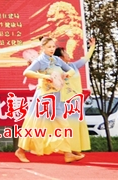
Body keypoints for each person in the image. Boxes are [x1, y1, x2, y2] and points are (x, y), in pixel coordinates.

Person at [14, 36, 83, 164]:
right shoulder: (40, 60)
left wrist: (66, 74)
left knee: (63, 125)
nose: (52, 49)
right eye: (49, 47)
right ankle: (21, 150)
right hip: (44, 98)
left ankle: (68, 153)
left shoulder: (57, 60)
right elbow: (27, 72)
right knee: (35, 125)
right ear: (43, 48)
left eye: (53, 47)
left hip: (56, 97)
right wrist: (44, 76)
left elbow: (71, 70)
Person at [54, 37, 96, 157]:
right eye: (65, 53)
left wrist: (92, 46)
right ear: (60, 57)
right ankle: (67, 150)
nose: (68, 54)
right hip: (65, 102)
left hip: (76, 101)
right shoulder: (57, 69)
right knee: (69, 125)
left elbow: (86, 58)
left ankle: (74, 148)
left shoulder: (73, 66)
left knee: (76, 125)